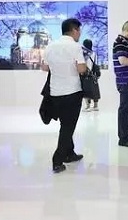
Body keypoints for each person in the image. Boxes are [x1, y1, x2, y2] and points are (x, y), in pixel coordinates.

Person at [42, 18, 87, 173]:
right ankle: (57, 160)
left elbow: (44, 67)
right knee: (68, 127)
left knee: (65, 124)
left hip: (55, 92)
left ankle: (70, 153)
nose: (80, 34)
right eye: (79, 30)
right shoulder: (75, 47)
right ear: (74, 30)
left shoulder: (50, 46)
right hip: (72, 92)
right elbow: (81, 69)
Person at [82, 39, 100, 112]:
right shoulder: (94, 54)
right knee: (95, 90)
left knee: (86, 90)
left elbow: (84, 64)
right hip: (93, 74)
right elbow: (96, 63)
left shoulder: (84, 54)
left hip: (86, 74)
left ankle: (88, 106)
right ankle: (96, 106)